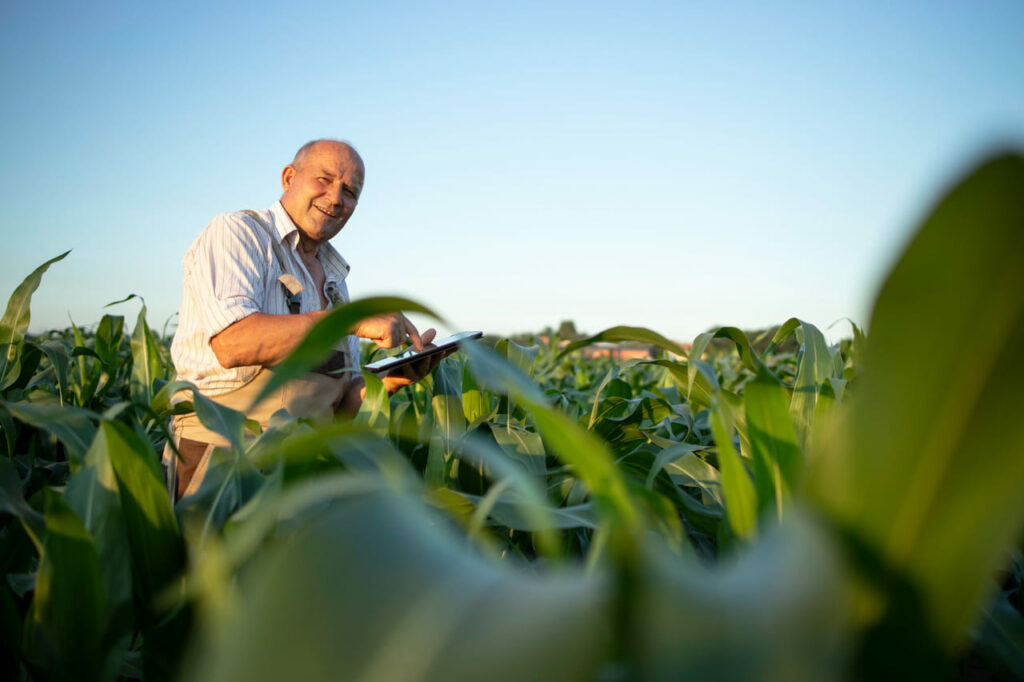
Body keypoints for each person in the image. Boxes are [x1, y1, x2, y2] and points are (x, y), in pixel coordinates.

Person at [167, 139, 440, 498]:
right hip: (226, 460)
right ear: (288, 178)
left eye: (350, 191)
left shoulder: (335, 281)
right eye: (324, 179)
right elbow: (233, 342)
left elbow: (337, 408)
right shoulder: (239, 233)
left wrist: (387, 382)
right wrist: (350, 321)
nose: (336, 198)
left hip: (302, 472)